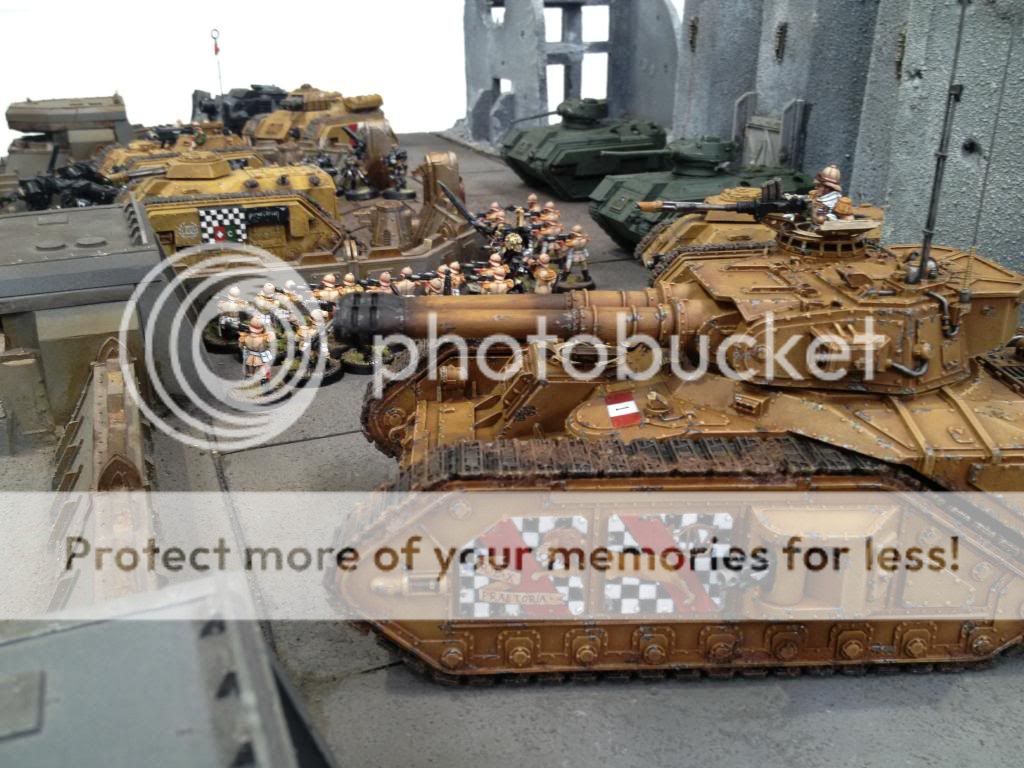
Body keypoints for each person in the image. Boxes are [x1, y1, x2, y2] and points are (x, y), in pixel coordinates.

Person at [239, 316, 276, 383]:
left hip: (249, 357)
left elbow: (240, 346)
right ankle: (264, 384)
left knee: (250, 373)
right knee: (263, 373)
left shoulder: (244, 336)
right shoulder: (264, 337)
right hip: (261, 357)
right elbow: (272, 339)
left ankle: (249, 382)